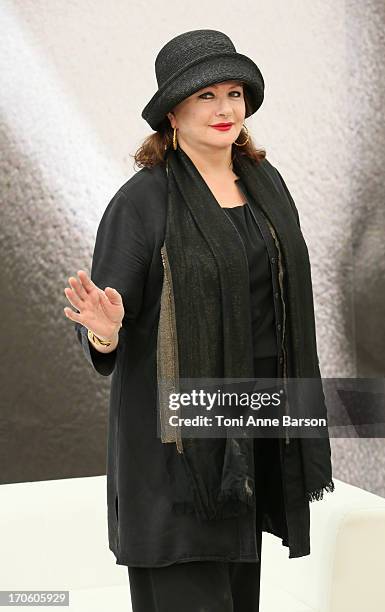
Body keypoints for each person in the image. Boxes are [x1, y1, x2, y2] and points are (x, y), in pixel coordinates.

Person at [63, 29, 334, 612]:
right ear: (173, 112)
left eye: (234, 93)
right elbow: (100, 329)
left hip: (248, 443)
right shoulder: (140, 203)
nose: (224, 109)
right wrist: (106, 329)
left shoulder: (267, 187)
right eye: (205, 95)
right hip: (176, 457)